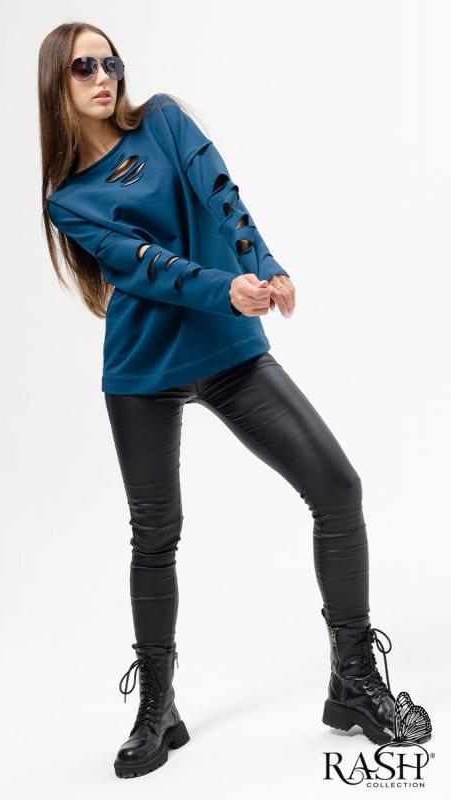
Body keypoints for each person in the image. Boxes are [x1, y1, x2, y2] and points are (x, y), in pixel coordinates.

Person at [39, 20, 425, 781]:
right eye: (84, 66)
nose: (103, 76)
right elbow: (142, 265)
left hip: (227, 350)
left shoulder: (164, 121)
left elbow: (223, 198)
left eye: (111, 61)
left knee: (337, 489)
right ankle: (158, 706)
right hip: (143, 369)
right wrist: (228, 288)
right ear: (57, 83)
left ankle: (352, 679)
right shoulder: (69, 200)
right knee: (155, 535)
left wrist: (267, 267)